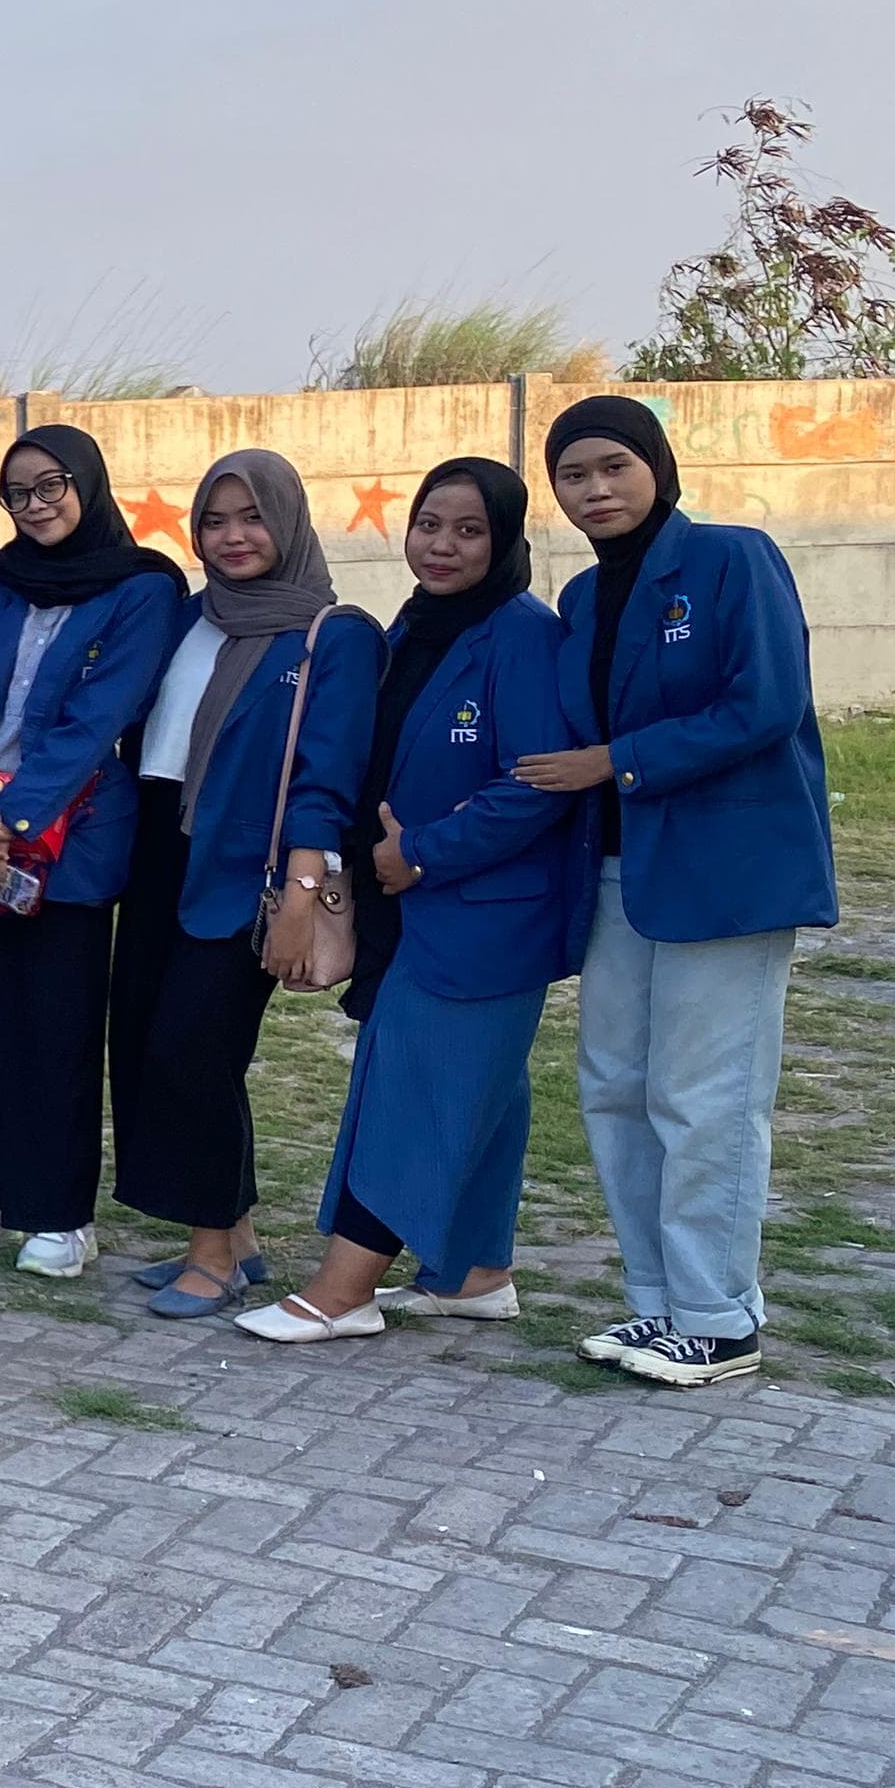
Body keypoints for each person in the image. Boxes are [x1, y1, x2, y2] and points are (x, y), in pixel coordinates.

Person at [515, 395, 834, 1386]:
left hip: (726, 875)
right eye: (573, 475)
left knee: (707, 1099)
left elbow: (766, 702)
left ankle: (721, 1317)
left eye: (614, 466)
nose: (595, 489)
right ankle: (661, 1306)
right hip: (618, 872)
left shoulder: (734, 559)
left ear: (658, 464)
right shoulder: (582, 600)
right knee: (616, 1088)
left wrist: (618, 761)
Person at [239, 460, 583, 1342]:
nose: (442, 545)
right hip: (419, 907)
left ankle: (344, 1292)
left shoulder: (522, 636)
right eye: (429, 523)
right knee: (485, 1100)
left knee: (412, 1094)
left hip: (483, 915)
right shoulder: (415, 627)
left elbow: (537, 786)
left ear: (505, 541)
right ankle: (474, 1273)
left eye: (469, 531)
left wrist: (419, 855)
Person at [0, 424, 188, 1281]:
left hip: (72, 841)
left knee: (51, 1029)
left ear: (89, 484)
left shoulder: (143, 587)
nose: (35, 507)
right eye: (17, 494)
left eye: (51, 486)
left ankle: (58, 1213)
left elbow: (98, 718)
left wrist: (13, 820)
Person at [103, 450, 379, 1315]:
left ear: (289, 521)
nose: (232, 537)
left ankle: (211, 1255)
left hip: (249, 870)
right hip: (157, 854)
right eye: (215, 520)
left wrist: (302, 894)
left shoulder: (334, 635)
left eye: (252, 517)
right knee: (151, 1043)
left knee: (195, 1049)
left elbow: (327, 777)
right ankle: (240, 1233)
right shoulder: (189, 619)